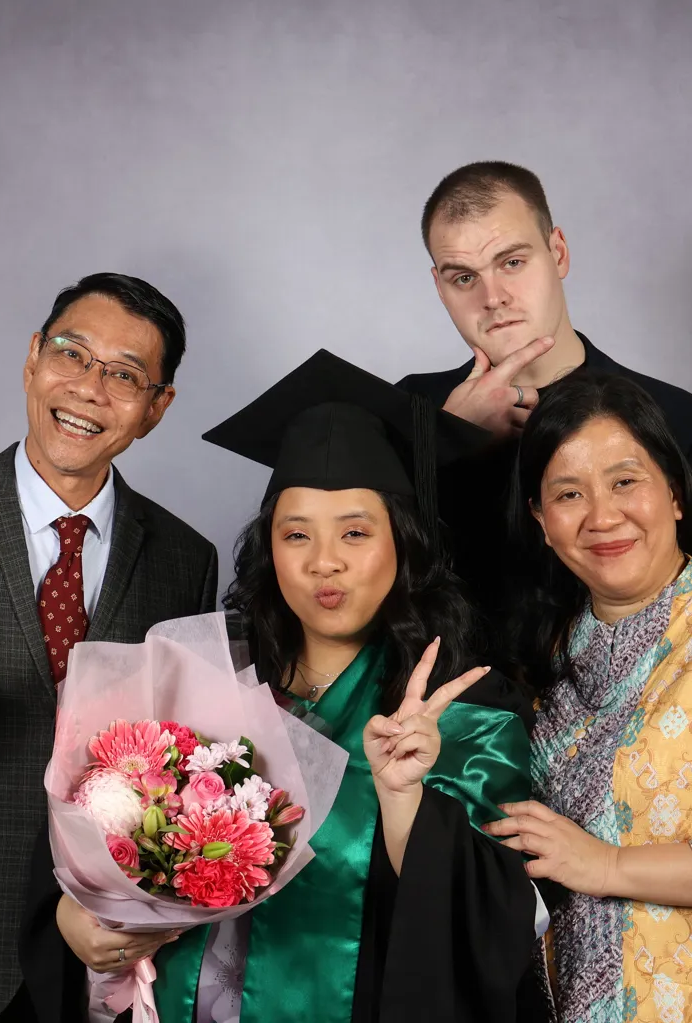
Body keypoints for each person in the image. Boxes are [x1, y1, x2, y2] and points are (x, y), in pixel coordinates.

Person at [149, 350, 543, 1023]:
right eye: (294, 532)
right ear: (268, 548)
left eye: (355, 532)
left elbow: (494, 922)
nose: (322, 561)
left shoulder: (467, 709)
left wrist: (401, 798)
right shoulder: (206, 677)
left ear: (404, 541)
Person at [0, 273, 217, 1023]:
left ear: (156, 407)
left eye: (123, 375)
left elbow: (186, 760)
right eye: (72, 355)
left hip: (102, 952)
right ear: (32, 358)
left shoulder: (186, 558)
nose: (90, 388)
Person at [483, 372, 692, 1022]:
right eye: (568, 493)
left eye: (624, 480)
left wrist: (604, 863)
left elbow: (587, 859)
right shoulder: (547, 646)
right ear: (541, 520)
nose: (601, 516)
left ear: (674, 491)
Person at [397, 161, 692, 609]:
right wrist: (445, 443)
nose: (492, 297)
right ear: (439, 287)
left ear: (558, 253)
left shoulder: (676, 416)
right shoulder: (407, 411)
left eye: (512, 262)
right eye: (464, 278)